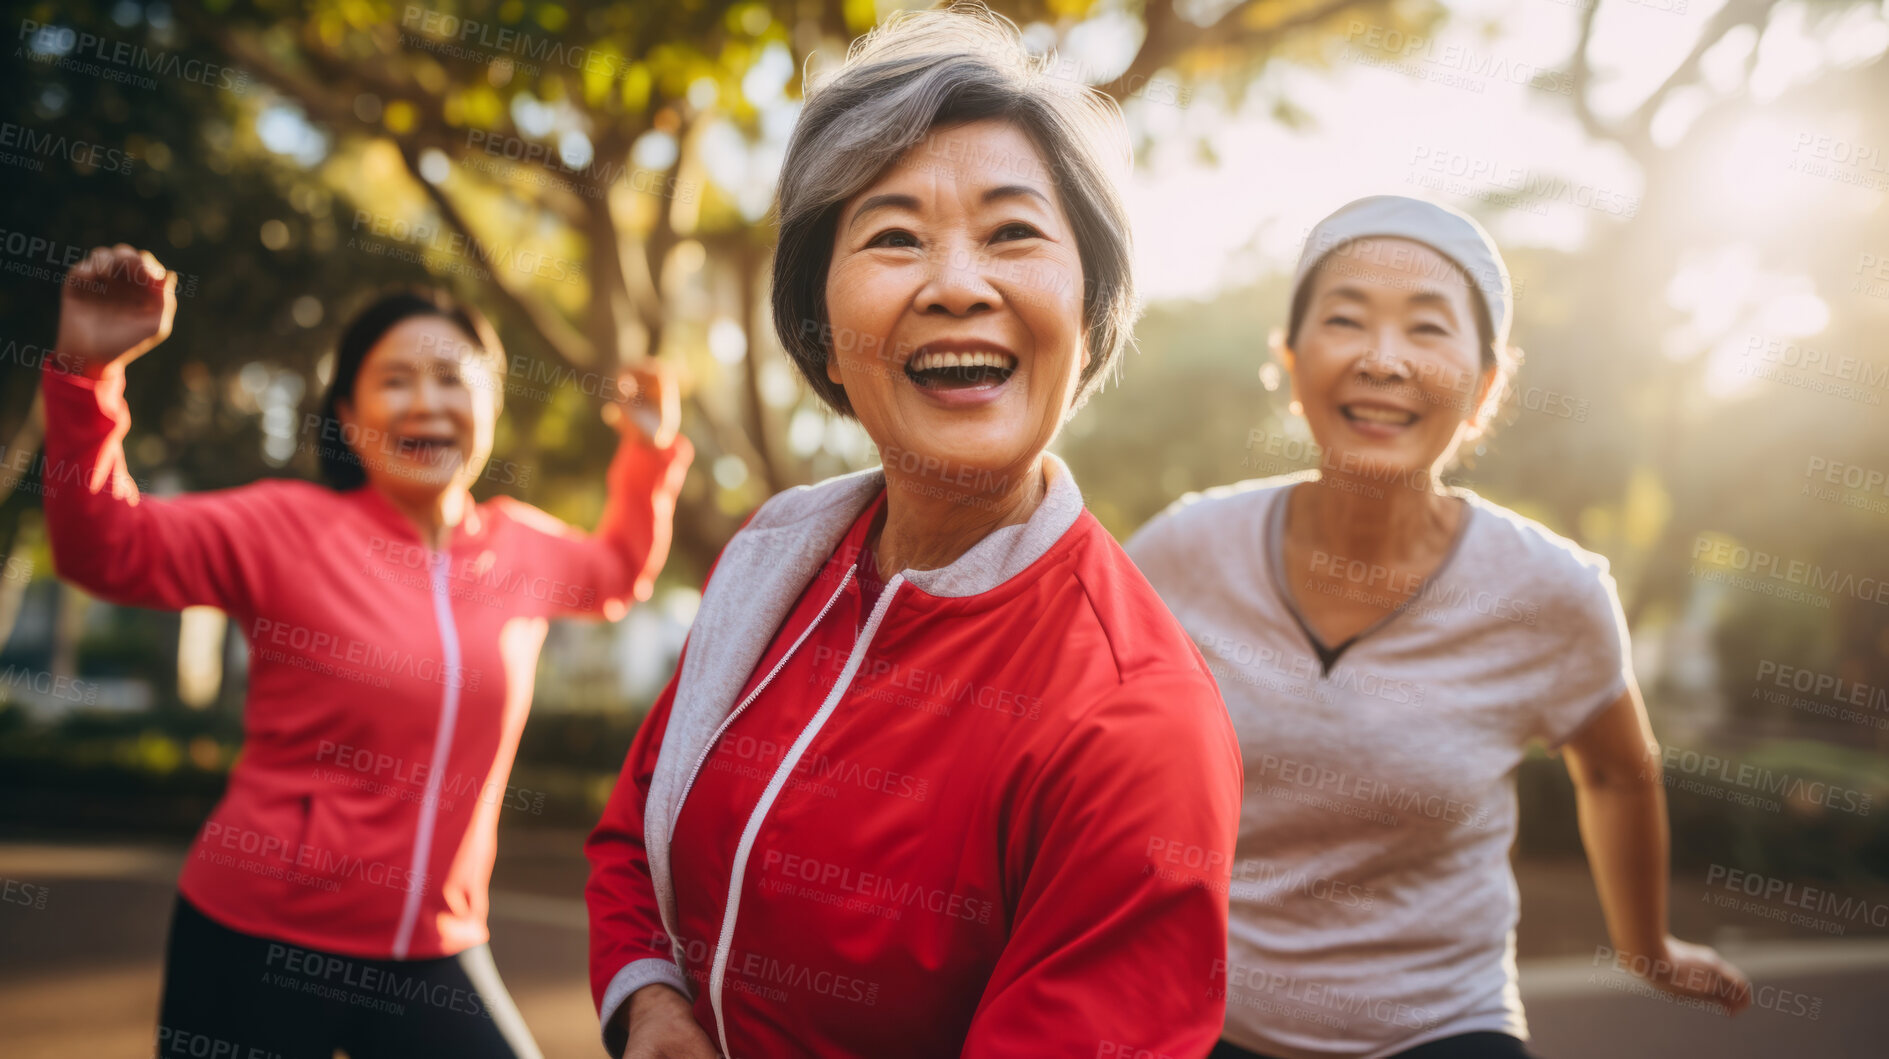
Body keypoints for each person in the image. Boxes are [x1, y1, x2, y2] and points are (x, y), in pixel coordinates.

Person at [583, 8, 1242, 1058]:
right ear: (824, 340)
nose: (955, 285)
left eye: (1012, 232)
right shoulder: (773, 561)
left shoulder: (1135, 722)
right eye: (893, 237)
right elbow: (629, 840)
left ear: (1090, 309)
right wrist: (653, 1010)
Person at [1125, 195, 1752, 1059]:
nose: (1384, 361)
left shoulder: (1549, 590)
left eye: (1427, 329)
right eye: (1345, 320)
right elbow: (1078, 739)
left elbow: (1614, 773)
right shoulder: (1183, 550)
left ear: (1486, 383)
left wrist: (1647, 947)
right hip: (1212, 1019)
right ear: (1289, 356)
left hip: (1444, 1025)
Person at [43, 244, 693, 1059]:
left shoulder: (520, 548)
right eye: (396, 380)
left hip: (435, 944)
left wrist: (646, 452)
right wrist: (85, 374)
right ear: (349, 418)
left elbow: (616, 572)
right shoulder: (285, 528)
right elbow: (102, 546)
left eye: (454, 378)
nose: (427, 400)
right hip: (259, 943)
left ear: (490, 405)